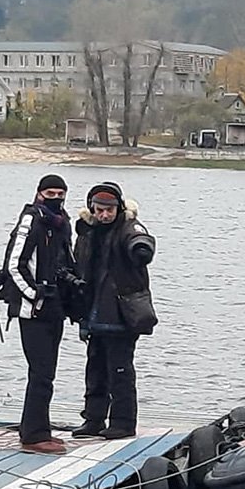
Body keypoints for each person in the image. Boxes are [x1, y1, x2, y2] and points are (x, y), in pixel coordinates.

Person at [0, 173, 82, 453]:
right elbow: (14, 265)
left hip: (54, 308)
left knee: (47, 372)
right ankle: (32, 435)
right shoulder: (31, 220)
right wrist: (34, 294)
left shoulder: (60, 223)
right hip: (33, 310)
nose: (56, 199)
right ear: (39, 193)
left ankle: (39, 428)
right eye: (50, 194)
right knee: (40, 372)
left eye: (60, 194)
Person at [71, 182, 157, 439]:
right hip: (94, 311)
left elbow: (141, 240)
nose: (104, 215)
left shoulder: (129, 227)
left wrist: (141, 249)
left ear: (118, 209)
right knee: (94, 370)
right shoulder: (88, 233)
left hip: (123, 313)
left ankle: (123, 422)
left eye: (109, 210)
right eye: (99, 210)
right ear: (92, 209)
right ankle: (93, 419)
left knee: (120, 371)